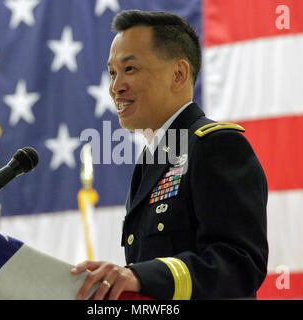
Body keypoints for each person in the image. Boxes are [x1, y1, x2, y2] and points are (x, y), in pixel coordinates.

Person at [71, 9, 268, 300]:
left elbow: (240, 265)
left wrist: (140, 276)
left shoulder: (216, 146)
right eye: (112, 72)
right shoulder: (152, 161)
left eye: (130, 69)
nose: (115, 87)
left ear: (178, 74)